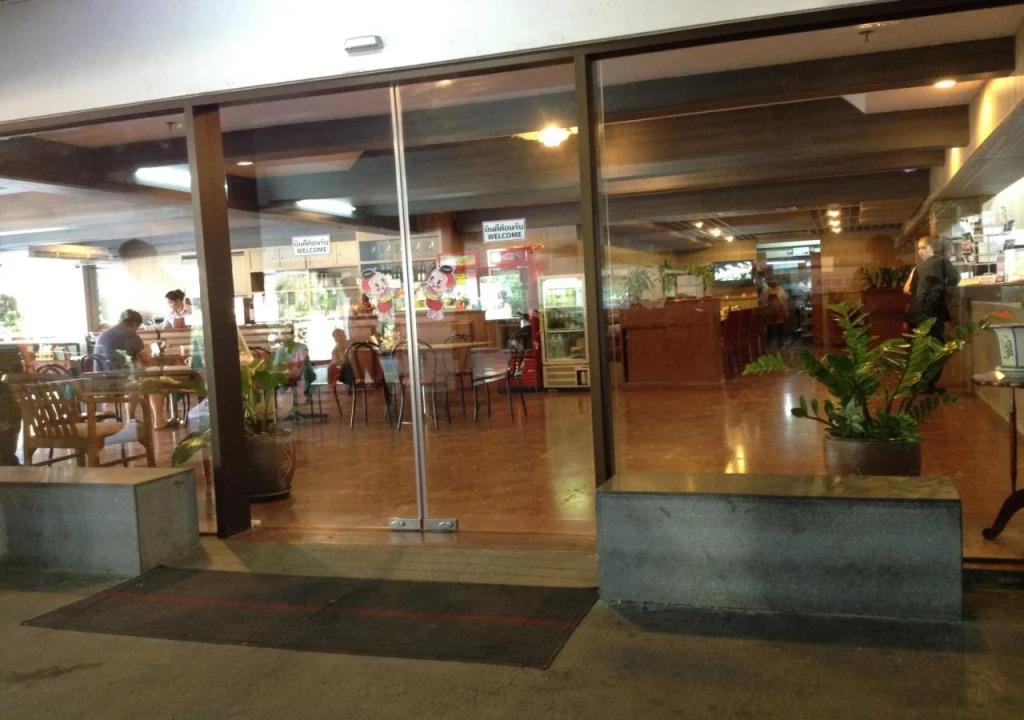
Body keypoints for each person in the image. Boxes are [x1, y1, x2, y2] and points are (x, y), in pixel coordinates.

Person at [904, 236, 960, 392]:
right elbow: (955, 279)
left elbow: (910, 291)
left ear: (932, 248)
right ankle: (926, 384)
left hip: (915, 315)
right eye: (919, 248)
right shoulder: (942, 262)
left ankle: (918, 384)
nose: (920, 251)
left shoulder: (919, 267)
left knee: (919, 351)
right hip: (930, 314)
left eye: (923, 248)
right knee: (936, 349)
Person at [761, 280, 789, 350]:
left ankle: (780, 342)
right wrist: (764, 311)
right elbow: (762, 302)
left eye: (775, 282)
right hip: (769, 312)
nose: (774, 283)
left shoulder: (781, 290)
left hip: (779, 312)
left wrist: (786, 311)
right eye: (772, 282)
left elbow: (785, 302)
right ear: (769, 283)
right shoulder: (765, 291)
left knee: (780, 327)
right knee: (769, 328)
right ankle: (769, 344)